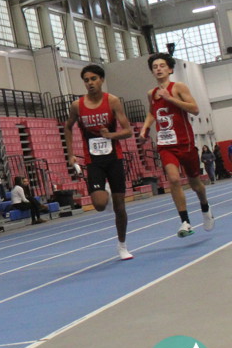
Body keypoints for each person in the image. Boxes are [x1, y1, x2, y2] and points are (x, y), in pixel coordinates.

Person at [64, 64, 134, 260]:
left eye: (93, 79)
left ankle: (122, 245)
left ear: (102, 80)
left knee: (120, 207)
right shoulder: (77, 106)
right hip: (93, 160)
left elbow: (128, 131)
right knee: (100, 204)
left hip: (114, 158)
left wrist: (111, 135)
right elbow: (68, 127)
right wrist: (71, 154)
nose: (90, 83)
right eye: (86, 80)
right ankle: (105, 192)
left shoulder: (112, 101)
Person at [140, 53, 213, 237]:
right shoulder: (151, 94)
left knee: (196, 184)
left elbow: (195, 109)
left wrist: (170, 98)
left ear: (170, 69)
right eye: (155, 67)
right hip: (166, 144)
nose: (158, 69)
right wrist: (145, 128)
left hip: (185, 143)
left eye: (162, 65)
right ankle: (185, 222)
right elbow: (152, 112)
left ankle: (205, 206)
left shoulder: (178, 87)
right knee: (173, 179)